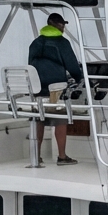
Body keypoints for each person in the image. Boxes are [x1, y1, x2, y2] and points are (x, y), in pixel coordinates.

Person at [27, 12, 84, 165]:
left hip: (37, 89)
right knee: (61, 120)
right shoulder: (62, 43)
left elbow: (30, 65)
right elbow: (72, 66)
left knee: (38, 119)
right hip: (56, 89)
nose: (63, 27)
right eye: (62, 24)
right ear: (57, 25)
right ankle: (62, 157)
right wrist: (79, 78)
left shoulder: (35, 43)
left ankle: (37, 157)